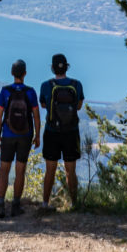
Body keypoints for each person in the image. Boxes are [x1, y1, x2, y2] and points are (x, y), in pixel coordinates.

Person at [0, 59, 41, 218]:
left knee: (4, 170)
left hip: (7, 135)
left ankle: (0, 206)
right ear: (25, 73)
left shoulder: (5, 91)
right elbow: (36, 116)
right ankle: (15, 205)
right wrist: (37, 135)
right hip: (25, 136)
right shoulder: (30, 92)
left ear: (12, 73)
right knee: (20, 171)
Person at [39, 53, 84, 210]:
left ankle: (45, 203)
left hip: (52, 132)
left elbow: (44, 105)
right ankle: (74, 203)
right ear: (66, 67)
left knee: (49, 169)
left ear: (52, 68)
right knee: (70, 170)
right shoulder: (77, 84)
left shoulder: (46, 85)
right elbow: (78, 106)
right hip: (71, 132)